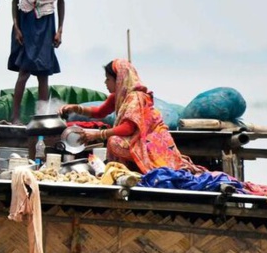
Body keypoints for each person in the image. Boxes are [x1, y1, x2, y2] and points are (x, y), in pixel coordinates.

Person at [60, 59, 204, 174]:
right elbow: (100, 112)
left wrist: (98, 134)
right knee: (114, 140)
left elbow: (128, 128)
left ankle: (135, 171)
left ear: (119, 79)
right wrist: (75, 108)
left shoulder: (135, 98)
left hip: (152, 142)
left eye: (108, 79)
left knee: (114, 141)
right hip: (138, 140)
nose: (105, 82)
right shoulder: (119, 96)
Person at [8, 0, 66, 124]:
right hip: (25, 20)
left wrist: (59, 31)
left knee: (43, 73)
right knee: (23, 71)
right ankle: (15, 117)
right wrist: (16, 28)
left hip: (46, 21)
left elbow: (61, 2)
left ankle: (41, 118)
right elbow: (15, 0)